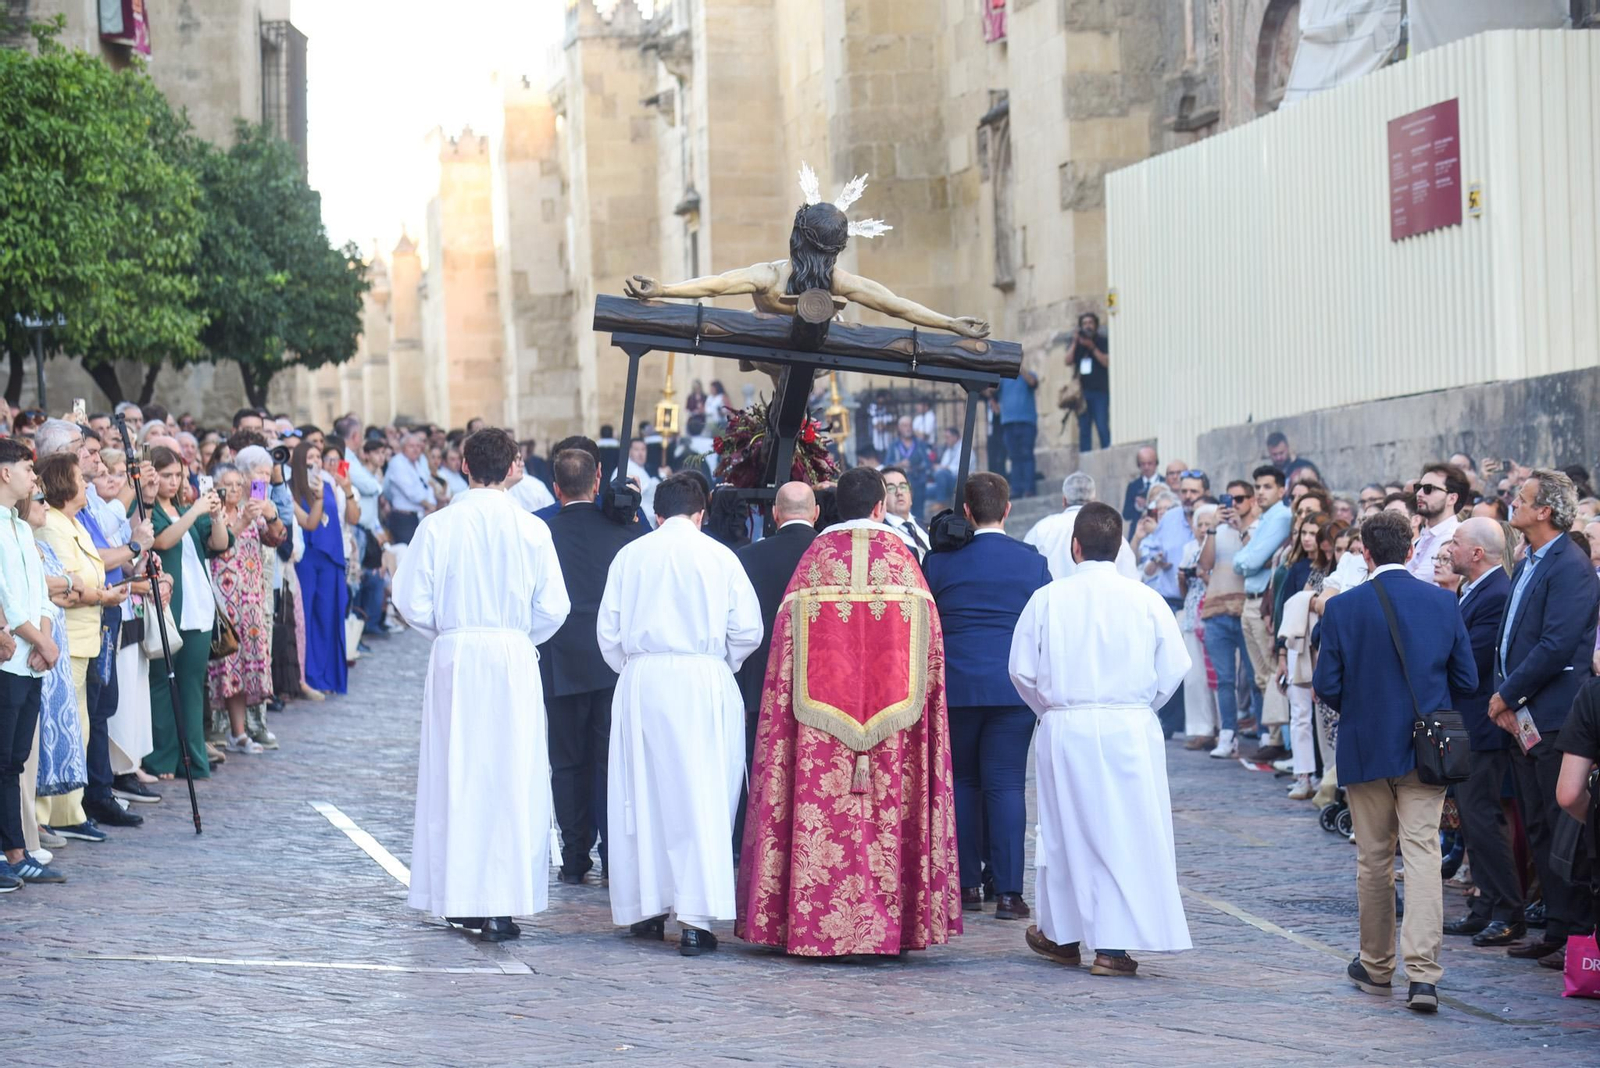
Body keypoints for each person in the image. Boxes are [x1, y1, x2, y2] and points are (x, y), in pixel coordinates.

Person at [737, 466, 961, 957]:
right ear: (881, 506)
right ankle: (891, 928)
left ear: (834, 507)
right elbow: (932, 659)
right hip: (893, 735)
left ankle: (809, 925)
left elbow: (784, 659)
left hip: (819, 737)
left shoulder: (814, 565)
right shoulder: (905, 565)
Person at [392, 428, 571, 943]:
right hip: (511, 656)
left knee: (458, 771)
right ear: (513, 465)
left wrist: (449, 631)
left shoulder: (439, 525)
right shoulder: (533, 530)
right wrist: (516, 636)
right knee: (512, 775)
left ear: (464, 466)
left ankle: (462, 897)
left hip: (460, 655)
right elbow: (555, 607)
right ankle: (502, 905)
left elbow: (409, 601)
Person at [1010, 502, 1191, 976]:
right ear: (1120, 548)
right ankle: (1111, 945)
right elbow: (1174, 669)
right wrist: (1138, 709)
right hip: (1129, 725)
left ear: (1074, 547)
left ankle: (1063, 933)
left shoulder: (1048, 598)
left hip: (1066, 724)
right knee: (1127, 831)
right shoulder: (1146, 599)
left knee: (1064, 830)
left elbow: (1021, 670)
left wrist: (1052, 711)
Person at [1312, 510, 1477, 1015]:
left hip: (1366, 745)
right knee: (1424, 855)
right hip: (1426, 747)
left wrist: (1364, 710)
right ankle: (1423, 975)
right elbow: (1467, 680)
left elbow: (1326, 685)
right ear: (1410, 550)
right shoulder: (1441, 603)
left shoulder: (1342, 609)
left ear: (1365, 552)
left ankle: (1377, 963)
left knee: (1374, 858)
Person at [600, 473, 763, 957]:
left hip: (643, 679)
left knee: (642, 795)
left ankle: (646, 910)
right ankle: (695, 918)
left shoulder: (631, 556)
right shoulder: (721, 557)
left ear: (655, 514)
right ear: (701, 513)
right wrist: (718, 664)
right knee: (703, 795)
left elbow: (608, 633)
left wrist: (636, 668)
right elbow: (748, 630)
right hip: (702, 681)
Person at [924, 472, 1051, 920]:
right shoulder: (1031, 562)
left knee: (962, 784)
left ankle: (967, 885)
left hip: (958, 685)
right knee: (1006, 785)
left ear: (967, 512)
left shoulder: (940, 563)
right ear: (1008, 509)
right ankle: (1011, 893)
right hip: (1011, 686)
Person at [1491, 469, 1600, 960]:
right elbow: (1515, 634)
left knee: (1563, 824)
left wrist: (1507, 694)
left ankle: (1576, 933)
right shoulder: (1532, 559)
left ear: (1545, 512)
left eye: (1523, 497)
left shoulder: (1570, 565)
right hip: (1525, 714)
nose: (1514, 502)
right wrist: (1507, 696)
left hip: (1556, 713)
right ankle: (1557, 927)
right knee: (1537, 821)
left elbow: (1556, 645)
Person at [540, 448, 643, 886]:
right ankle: (611, 852)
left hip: (561, 656)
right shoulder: (623, 533)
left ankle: (575, 851)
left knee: (566, 763)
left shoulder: (541, 529)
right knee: (606, 761)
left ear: (555, 486)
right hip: (608, 660)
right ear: (598, 480)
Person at [33, 452, 130, 840]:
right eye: (80, 477)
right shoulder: (54, 525)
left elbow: (86, 575)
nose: (87, 483)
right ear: (64, 484)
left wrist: (103, 590)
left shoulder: (73, 523)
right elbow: (68, 581)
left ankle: (69, 808)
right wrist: (99, 595)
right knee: (65, 725)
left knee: (81, 726)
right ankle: (57, 812)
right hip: (68, 635)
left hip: (87, 635)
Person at [1438, 518, 1524, 946]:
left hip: (1481, 724)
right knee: (1471, 822)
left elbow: (1470, 658)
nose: (1447, 549)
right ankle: (1485, 906)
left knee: (1484, 820)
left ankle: (1508, 911)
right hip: (1463, 721)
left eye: (1455, 542)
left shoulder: (1496, 593)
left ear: (1477, 553)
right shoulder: (1472, 589)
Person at [732, 482, 818, 856]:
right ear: (816, 513)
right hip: (818, 684)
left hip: (759, 680)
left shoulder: (747, 557)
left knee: (759, 764)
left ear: (775, 514)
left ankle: (753, 844)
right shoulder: (827, 555)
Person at [144, 446, 229, 781]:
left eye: (178, 475)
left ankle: (192, 758)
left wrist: (217, 515)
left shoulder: (184, 508)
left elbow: (220, 544)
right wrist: (194, 510)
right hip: (170, 606)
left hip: (199, 608)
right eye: (166, 475)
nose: (173, 481)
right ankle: (162, 758)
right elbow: (162, 542)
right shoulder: (149, 507)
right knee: (163, 684)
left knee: (192, 685)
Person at [0, 439, 57, 891]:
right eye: (26, 468)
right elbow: (7, 600)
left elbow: (37, 592)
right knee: (1, 760)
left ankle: (15, 851)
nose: (33, 478)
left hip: (30, 661)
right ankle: (10, 852)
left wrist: (45, 640)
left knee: (15, 759)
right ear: (4, 473)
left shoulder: (20, 527)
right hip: (8, 659)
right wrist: (38, 638)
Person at [206, 463, 277, 755]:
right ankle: (233, 732)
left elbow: (276, 538)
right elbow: (220, 546)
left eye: (238, 484)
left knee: (250, 663)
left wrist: (271, 514)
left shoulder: (252, 510)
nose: (234, 489)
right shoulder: (214, 515)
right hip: (224, 600)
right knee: (228, 665)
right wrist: (243, 521)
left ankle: (246, 728)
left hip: (251, 600)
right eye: (228, 484)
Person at [1197, 478, 1261, 758]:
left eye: (1239, 499)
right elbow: (1205, 565)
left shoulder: (1258, 530)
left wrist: (1242, 529)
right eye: (1229, 499)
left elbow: (1255, 560)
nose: (1233, 505)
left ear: (1252, 500)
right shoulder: (1217, 530)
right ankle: (1228, 734)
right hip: (1216, 612)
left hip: (1246, 610)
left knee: (1255, 675)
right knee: (1225, 680)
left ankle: (1265, 734)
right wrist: (1212, 527)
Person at [291, 441, 359, 696]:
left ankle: (329, 676)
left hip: (331, 556)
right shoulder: (293, 487)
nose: (316, 461)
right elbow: (307, 521)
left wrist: (346, 488)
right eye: (310, 457)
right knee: (307, 618)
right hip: (307, 557)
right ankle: (308, 676)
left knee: (330, 616)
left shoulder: (330, 484)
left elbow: (348, 518)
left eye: (318, 457)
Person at [1234, 465, 1293, 758]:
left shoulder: (1281, 516)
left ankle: (1278, 740)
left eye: (1267, 486)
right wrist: (1242, 560)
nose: (1260, 492)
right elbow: (1242, 560)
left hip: (1262, 601)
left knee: (1271, 672)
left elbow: (1250, 560)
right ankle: (1271, 735)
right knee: (1260, 675)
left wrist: (1242, 560)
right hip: (1250, 598)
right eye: (1257, 486)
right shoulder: (1265, 518)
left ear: (1281, 490)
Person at [1024, 472, 1136, 581]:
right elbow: (1131, 576)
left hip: (1054, 597)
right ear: (1094, 500)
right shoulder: (1110, 530)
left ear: (1064, 500)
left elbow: (1026, 570)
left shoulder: (1041, 530)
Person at [1407, 463, 1466, 583]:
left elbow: (1420, 582)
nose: (1419, 494)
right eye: (1418, 487)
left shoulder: (1455, 537)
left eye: (1429, 489)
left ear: (1452, 498)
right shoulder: (1422, 536)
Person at [997, 353, 1039, 498]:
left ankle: (1029, 488)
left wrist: (1020, 368)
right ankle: (1016, 489)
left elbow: (1033, 382)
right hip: (1008, 422)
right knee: (1014, 457)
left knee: (1027, 454)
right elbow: (991, 391)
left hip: (1026, 421)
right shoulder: (1004, 378)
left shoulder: (1029, 374)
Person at [383, 431, 435, 543]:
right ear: (403, 448)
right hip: (403, 517)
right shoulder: (397, 462)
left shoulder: (418, 464)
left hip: (419, 515)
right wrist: (429, 505)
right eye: (411, 446)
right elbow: (411, 492)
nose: (415, 449)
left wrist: (432, 505)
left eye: (418, 446)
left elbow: (428, 486)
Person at [1070, 313, 1110, 453]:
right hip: (1083, 394)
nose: (1087, 326)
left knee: (1102, 426)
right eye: (1084, 323)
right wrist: (1075, 342)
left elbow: (1106, 362)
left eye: (1090, 322)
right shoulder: (1078, 344)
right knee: (1084, 429)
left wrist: (1092, 347)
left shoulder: (1102, 341)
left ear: (1096, 325)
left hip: (1100, 392)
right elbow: (1067, 361)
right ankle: (1085, 458)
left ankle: (1107, 454)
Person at [880, 466, 930, 558]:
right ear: (881, 498)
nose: (899, 492)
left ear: (910, 494)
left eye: (903, 486)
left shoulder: (927, 527)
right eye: (890, 488)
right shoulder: (881, 534)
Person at [1121, 446, 1160, 531]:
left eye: (1150, 463)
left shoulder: (1164, 483)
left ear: (1156, 463)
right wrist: (1137, 507)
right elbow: (1126, 515)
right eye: (1143, 464)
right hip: (1138, 532)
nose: (1146, 467)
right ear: (1139, 465)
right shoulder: (1133, 486)